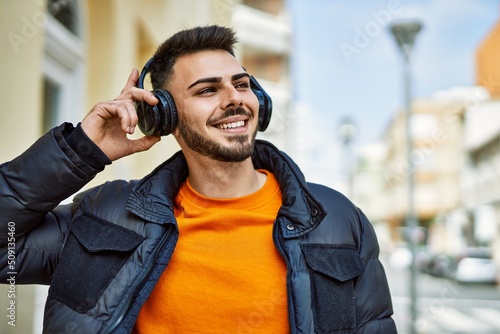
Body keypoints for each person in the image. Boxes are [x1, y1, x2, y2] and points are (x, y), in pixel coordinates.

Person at [0, 25, 397, 333]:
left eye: (241, 84)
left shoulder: (338, 220)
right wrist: (83, 150)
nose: (235, 99)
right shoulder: (106, 214)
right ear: (164, 117)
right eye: (208, 89)